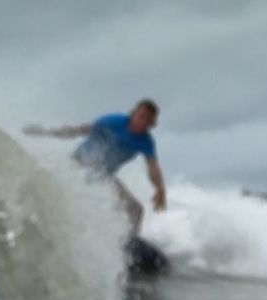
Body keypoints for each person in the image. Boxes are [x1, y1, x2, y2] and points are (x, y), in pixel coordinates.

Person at [23, 99, 166, 234]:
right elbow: (78, 130)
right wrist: (46, 132)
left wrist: (159, 188)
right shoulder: (112, 122)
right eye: (141, 117)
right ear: (133, 114)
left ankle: (130, 246)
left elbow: (152, 166)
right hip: (78, 166)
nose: (142, 123)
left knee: (135, 209)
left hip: (103, 176)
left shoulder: (146, 142)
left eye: (147, 120)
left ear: (152, 124)